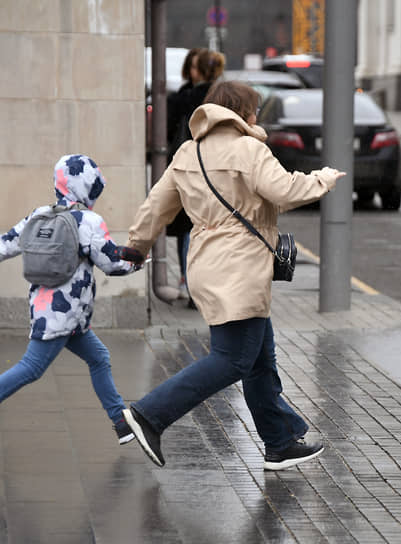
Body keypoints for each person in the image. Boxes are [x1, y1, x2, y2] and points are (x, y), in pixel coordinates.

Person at [120, 81, 346, 470]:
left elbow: (156, 206)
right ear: (244, 113)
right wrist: (323, 179)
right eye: (255, 109)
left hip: (206, 262)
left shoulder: (188, 153)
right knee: (230, 361)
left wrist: (136, 247)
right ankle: (148, 415)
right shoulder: (250, 150)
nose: (257, 116)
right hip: (240, 266)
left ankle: (280, 442)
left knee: (259, 358)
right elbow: (286, 191)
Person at [0, 154, 142, 456]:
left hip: (50, 311)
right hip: (65, 315)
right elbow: (111, 264)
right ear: (88, 187)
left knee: (99, 357)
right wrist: (138, 262)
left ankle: (121, 421)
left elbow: (8, 242)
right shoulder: (88, 221)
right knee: (32, 367)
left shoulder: (39, 215)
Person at [166, 48, 226, 307]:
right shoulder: (223, 97)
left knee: (189, 228)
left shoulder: (185, 97)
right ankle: (205, 285)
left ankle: (190, 283)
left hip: (189, 167)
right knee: (210, 228)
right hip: (216, 170)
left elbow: (168, 129)